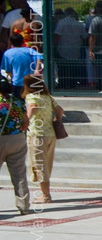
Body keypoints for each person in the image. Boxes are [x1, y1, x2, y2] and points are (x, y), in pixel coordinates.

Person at [23, 74, 62, 205]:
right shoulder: (47, 97)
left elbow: (32, 107)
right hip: (51, 133)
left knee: (39, 164)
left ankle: (45, 195)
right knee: (47, 163)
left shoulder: (31, 96)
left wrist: (26, 121)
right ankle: (45, 192)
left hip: (37, 134)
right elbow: (60, 110)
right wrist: (57, 120)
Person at [0, 72, 30, 215]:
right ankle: (23, 205)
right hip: (17, 139)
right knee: (19, 175)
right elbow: (26, 121)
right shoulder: (17, 101)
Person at [54, 7, 88, 88]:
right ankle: (72, 84)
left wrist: (54, 47)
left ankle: (63, 84)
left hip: (63, 48)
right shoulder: (79, 24)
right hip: (75, 49)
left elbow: (57, 36)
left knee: (63, 68)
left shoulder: (61, 23)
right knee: (73, 68)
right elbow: (84, 37)